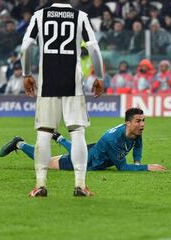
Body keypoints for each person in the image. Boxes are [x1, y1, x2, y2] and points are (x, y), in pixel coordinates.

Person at [21, 0, 105, 197]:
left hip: (47, 81)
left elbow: (26, 47)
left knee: (44, 131)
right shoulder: (80, 16)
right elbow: (93, 48)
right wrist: (99, 77)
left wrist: (26, 74)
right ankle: (80, 185)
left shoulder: (39, 16)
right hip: (72, 82)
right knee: (77, 131)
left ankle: (40, 185)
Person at [0, 108, 167, 172]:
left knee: (68, 152)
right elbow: (122, 167)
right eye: (138, 121)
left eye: (143, 120)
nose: (142, 124)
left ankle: (60, 138)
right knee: (45, 162)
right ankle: (19, 143)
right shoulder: (113, 139)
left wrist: (137, 162)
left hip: (92, 153)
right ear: (127, 123)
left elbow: (138, 145)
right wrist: (147, 167)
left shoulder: (135, 131)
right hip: (84, 162)